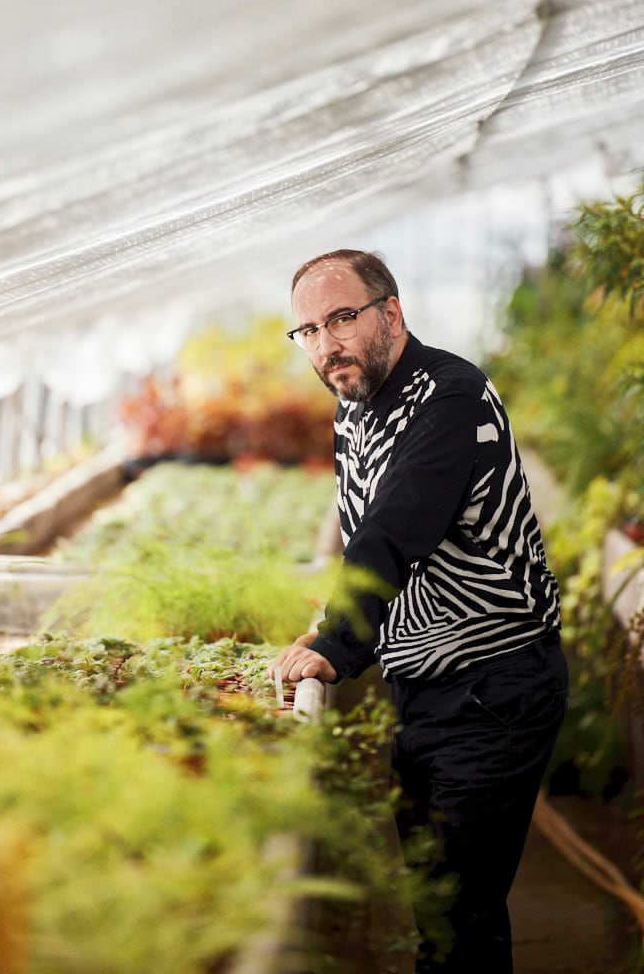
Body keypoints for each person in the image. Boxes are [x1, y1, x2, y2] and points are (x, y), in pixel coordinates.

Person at [269, 248, 568, 974]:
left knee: (458, 918)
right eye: (307, 330)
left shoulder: (449, 397)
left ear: (391, 315)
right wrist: (330, 623)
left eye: (341, 318)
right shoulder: (355, 403)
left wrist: (339, 645)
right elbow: (360, 530)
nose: (325, 343)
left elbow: (395, 529)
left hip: (491, 686)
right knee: (434, 907)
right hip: (424, 685)